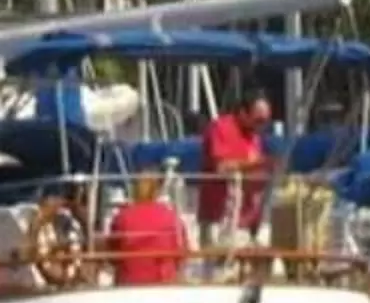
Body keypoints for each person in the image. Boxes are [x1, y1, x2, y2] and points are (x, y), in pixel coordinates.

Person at [197, 92, 273, 240]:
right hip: (220, 218)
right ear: (243, 113)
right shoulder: (221, 128)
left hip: (246, 220)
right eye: (259, 120)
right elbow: (222, 168)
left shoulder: (254, 137)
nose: (262, 126)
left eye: (265, 121)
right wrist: (255, 164)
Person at [104, 174, 189, 286]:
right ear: (156, 192)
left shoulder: (122, 217)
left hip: (129, 282)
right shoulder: (170, 216)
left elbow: (112, 253)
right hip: (164, 282)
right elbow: (182, 252)